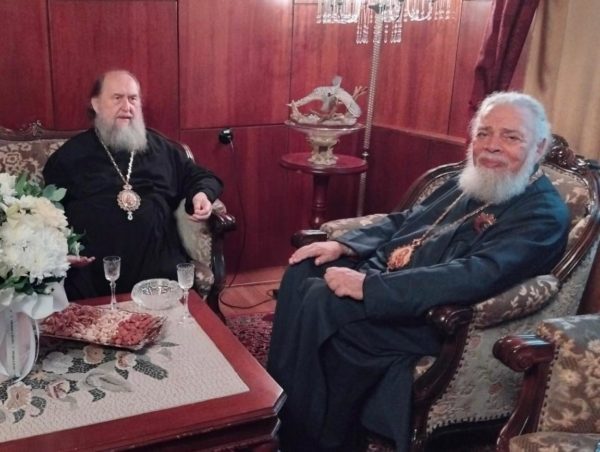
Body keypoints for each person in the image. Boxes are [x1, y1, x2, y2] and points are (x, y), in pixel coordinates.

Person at [267, 91, 570, 452]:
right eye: (484, 133)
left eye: (511, 136)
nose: (492, 146)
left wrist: (370, 287)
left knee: (323, 300)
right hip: (390, 278)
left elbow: (476, 275)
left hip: (433, 317)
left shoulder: (542, 213)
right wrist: (345, 246)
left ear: (539, 147)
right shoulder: (474, 180)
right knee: (304, 271)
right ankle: (275, 405)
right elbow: (407, 220)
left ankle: (309, 439)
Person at [43, 70, 223, 300]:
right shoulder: (70, 156)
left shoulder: (160, 149)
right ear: (96, 104)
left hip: (157, 264)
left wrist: (201, 194)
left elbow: (201, 176)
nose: (127, 106)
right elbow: (47, 212)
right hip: (93, 269)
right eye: (117, 98)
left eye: (133, 98)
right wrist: (61, 252)